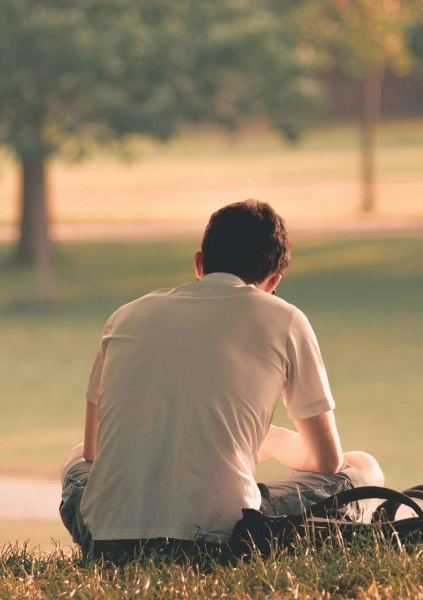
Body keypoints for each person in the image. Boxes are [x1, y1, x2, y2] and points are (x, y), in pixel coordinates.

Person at [59, 200, 384, 559]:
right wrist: (270, 439)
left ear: (199, 263)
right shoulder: (286, 319)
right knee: (362, 468)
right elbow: (327, 462)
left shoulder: (124, 316)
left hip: (106, 543)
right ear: (273, 281)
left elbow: (93, 451)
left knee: (76, 459)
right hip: (226, 541)